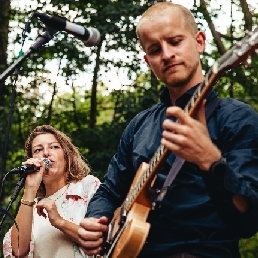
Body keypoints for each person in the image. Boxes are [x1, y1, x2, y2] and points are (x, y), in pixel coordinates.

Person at [78, 2, 258, 258]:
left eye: (175, 41)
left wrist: (211, 161)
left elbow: (248, 222)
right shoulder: (139, 125)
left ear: (199, 41)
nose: (166, 54)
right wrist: (96, 221)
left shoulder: (237, 118)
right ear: (147, 60)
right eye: (154, 49)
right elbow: (109, 190)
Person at [3, 125, 100, 258]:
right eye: (38, 150)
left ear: (67, 155)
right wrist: (30, 189)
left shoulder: (86, 186)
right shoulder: (30, 206)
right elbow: (18, 251)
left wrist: (59, 222)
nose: (46, 153)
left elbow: (103, 239)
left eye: (54, 147)